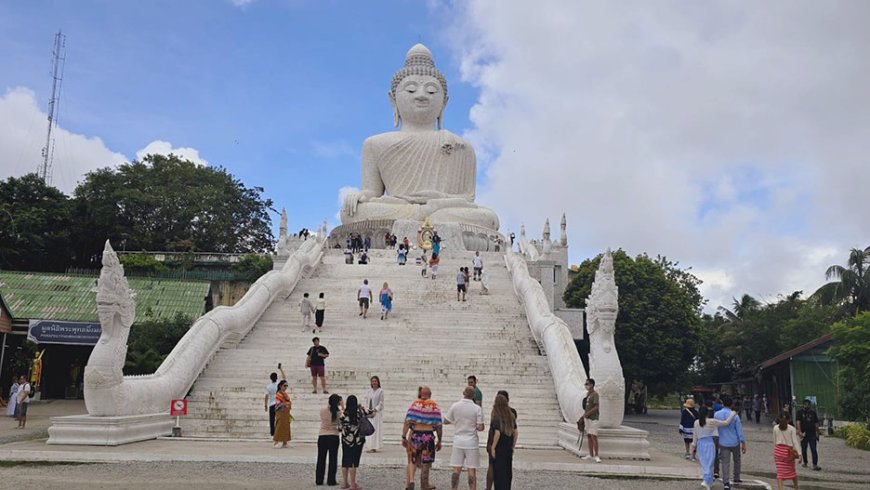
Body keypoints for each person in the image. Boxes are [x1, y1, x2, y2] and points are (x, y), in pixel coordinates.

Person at [444, 387, 485, 490]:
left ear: (463, 393)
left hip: (458, 441)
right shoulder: (477, 408)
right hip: (471, 442)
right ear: (474, 395)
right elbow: (481, 427)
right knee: (472, 470)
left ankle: (454, 488)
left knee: (456, 469)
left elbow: (445, 420)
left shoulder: (455, 406)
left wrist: (456, 421)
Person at [402, 386, 443, 490]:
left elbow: (407, 422)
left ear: (421, 394)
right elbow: (439, 425)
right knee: (426, 461)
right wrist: (439, 440)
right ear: (430, 394)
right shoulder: (434, 406)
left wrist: (404, 436)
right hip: (428, 435)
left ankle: (411, 480)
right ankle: (424, 484)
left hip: (416, 434)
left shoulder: (414, 405)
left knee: (412, 459)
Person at [691, 406, 738, 490]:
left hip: (700, 444)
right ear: (707, 413)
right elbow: (726, 423)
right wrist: (733, 413)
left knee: (704, 464)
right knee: (710, 463)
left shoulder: (696, 422)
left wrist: (693, 446)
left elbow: (695, 436)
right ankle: (706, 481)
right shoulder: (712, 421)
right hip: (709, 443)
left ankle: (709, 483)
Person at [340, 394, 373, 490]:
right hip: (357, 440)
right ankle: (353, 484)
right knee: (353, 462)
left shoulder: (344, 414)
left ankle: (345, 482)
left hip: (345, 440)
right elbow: (372, 413)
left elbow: (339, 427)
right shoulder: (360, 412)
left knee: (345, 461)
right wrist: (361, 407)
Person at [485, 391, 517, 490]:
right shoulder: (511, 414)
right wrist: (513, 445)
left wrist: (493, 447)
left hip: (498, 446)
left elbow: (497, 433)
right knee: (507, 471)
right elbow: (515, 432)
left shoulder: (496, 415)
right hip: (508, 445)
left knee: (497, 470)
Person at [716, 396, 747, 490]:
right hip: (735, 442)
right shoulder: (735, 416)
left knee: (725, 463)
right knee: (737, 460)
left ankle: (726, 482)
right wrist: (743, 442)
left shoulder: (717, 414)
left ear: (722, 403)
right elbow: (739, 430)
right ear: (731, 404)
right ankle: (736, 478)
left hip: (723, 442)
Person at [317, 394, 343, 486]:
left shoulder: (322, 410)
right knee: (333, 459)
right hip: (333, 435)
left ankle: (319, 480)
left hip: (323, 435)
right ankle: (331, 480)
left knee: (321, 458)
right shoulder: (339, 413)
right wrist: (342, 406)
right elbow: (341, 425)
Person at [773, 412, 801, 490]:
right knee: (792, 471)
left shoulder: (775, 428)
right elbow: (795, 441)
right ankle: (796, 487)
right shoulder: (792, 429)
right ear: (789, 419)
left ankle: (780, 488)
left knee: (780, 473)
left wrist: (774, 453)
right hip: (788, 452)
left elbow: (774, 442)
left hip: (778, 451)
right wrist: (799, 454)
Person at [796, 398, 821, 471]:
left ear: (810, 405)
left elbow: (816, 424)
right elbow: (798, 422)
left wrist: (817, 433)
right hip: (804, 433)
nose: (807, 406)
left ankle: (815, 464)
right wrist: (799, 432)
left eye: (808, 404)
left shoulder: (813, 413)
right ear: (803, 405)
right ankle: (805, 462)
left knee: (814, 449)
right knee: (804, 449)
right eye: (805, 404)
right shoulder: (800, 412)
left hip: (812, 434)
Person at [581, 378, 601, 462]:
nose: (586, 386)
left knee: (594, 436)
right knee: (589, 435)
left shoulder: (595, 394)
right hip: (587, 418)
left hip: (593, 418)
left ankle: (596, 455)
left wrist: (588, 413)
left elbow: (596, 407)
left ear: (592, 384)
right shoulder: (588, 394)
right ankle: (591, 454)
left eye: (587, 384)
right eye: (585, 384)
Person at [264, 364, 287, 437]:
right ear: (277, 377)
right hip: (279, 403)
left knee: (272, 419)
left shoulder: (269, 386)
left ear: (271, 379)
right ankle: (279, 431)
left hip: (272, 404)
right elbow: (284, 377)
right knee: (279, 419)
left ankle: (272, 433)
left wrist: (265, 405)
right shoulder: (279, 384)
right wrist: (281, 369)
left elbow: (266, 396)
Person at [365, 376, 385, 453]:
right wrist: (367, 410)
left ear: (378, 382)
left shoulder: (380, 391)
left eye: (375, 381)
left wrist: (375, 410)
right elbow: (367, 402)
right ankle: (369, 445)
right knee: (368, 429)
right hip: (369, 413)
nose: (374, 382)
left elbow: (381, 403)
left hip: (376, 414)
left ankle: (374, 447)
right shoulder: (369, 391)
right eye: (372, 381)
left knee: (374, 430)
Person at [273, 380, 292, 448]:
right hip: (280, 412)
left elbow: (288, 401)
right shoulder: (278, 394)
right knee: (279, 426)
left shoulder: (285, 394)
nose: (286, 387)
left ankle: (285, 442)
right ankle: (276, 441)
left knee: (286, 426)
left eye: (286, 386)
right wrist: (286, 403)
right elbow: (278, 403)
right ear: (280, 386)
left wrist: (288, 404)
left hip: (286, 412)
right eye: (284, 386)